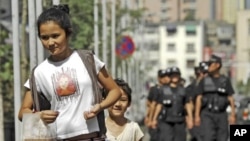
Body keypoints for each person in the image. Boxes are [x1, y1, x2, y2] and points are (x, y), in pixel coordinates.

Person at [18, 4, 122, 140]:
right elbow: (22, 112)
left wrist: (100, 107)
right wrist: (39, 116)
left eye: (56, 36)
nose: (50, 42)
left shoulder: (88, 60)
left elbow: (115, 91)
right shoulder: (39, 72)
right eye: (44, 37)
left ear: (68, 33)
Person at [195, 54, 236, 141]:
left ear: (217, 65)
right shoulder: (204, 80)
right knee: (208, 137)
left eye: (210, 64)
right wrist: (197, 116)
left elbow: (230, 98)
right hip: (207, 114)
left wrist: (232, 115)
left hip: (221, 114)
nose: (208, 66)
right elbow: (199, 98)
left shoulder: (225, 80)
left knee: (222, 138)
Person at [152, 67, 192, 141]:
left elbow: (187, 104)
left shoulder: (183, 90)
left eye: (176, 75)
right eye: (173, 75)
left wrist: (190, 118)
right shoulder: (163, 90)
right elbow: (159, 105)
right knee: (167, 138)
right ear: (169, 77)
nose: (175, 77)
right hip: (166, 120)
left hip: (179, 120)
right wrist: (154, 119)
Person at [144, 69, 171, 141]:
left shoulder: (168, 88)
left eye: (167, 76)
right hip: (157, 119)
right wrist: (150, 118)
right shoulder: (155, 89)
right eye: (162, 77)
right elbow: (151, 104)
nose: (165, 78)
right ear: (158, 78)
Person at [185, 62, 208, 141]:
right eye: (200, 73)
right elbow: (188, 104)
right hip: (196, 119)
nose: (203, 76)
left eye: (205, 73)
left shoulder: (210, 87)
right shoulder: (190, 88)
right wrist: (190, 118)